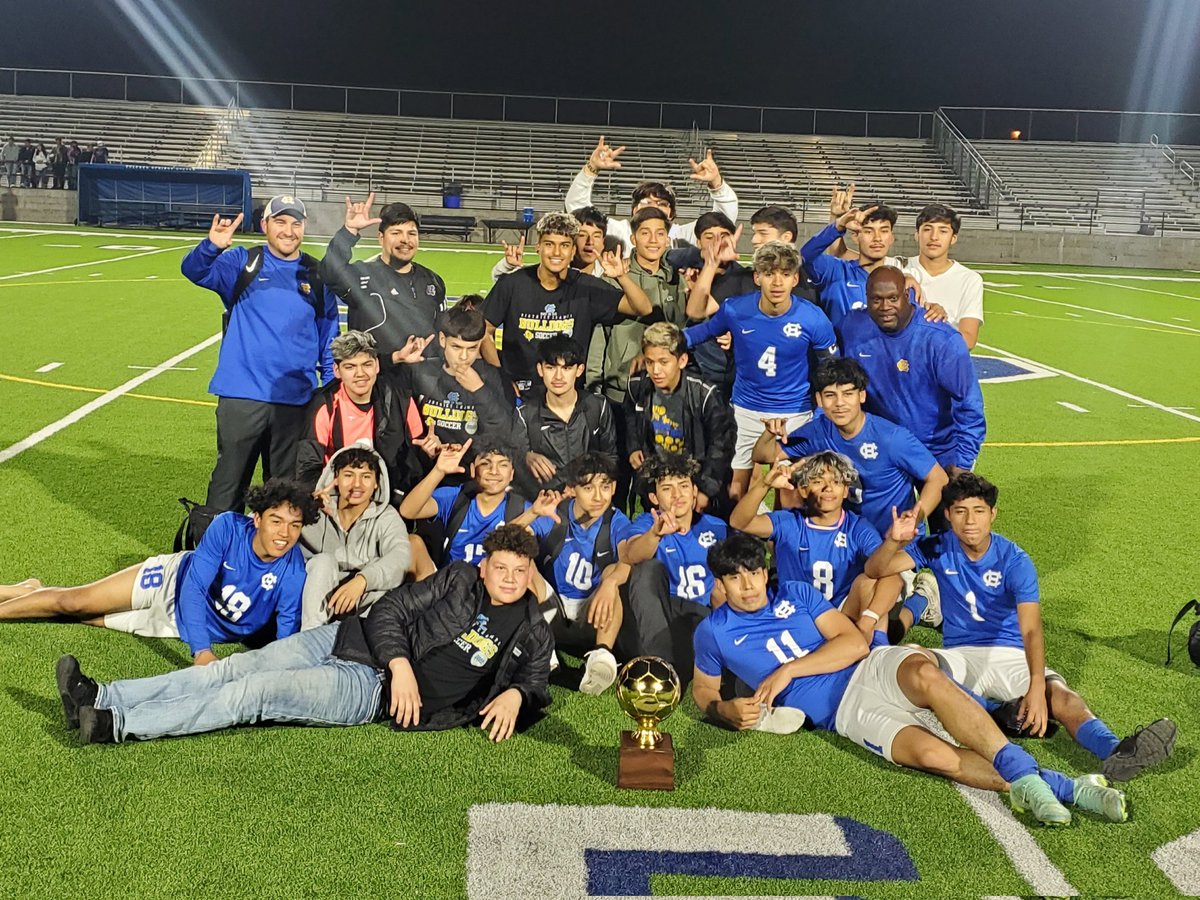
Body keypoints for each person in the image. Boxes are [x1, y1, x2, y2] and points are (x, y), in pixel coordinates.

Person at [690, 534, 1129, 825]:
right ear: (721, 583)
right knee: (934, 756)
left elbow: (855, 645)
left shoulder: (798, 594)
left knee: (924, 673)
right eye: (734, 577)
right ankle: (1067, 787)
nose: (747, 585)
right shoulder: (712, 631)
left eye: (753, 573)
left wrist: (788, 670)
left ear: (766, 571)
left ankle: (1019, 766)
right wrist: (723, 710)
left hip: (871, 667)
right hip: (845, 713)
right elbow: (704, 691)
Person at [57, 525, 554, 745]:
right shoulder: (459, 577)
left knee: (251, 694)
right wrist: (401, 663)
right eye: (501, 567)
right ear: (485, 566)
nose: (509, 578)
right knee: (230, 669)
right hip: (347, 640)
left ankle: (114, 723)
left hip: (368, 690)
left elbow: (535, 686)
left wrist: (515, 694)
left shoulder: (533, 630)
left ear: (531, 572)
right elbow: (389, 611)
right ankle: (102, 695)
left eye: (520, 570)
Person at [865, 473, 1178, 782]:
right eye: (960, 512)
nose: (970, 521)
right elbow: (875, 570)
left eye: (978, 511)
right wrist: (894, 541)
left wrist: (1037, 689)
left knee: (1063, 698)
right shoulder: (936, 546)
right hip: (960, 654)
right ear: (947, 515)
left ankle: (1117, 750)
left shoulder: (1015, 560)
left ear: (993, 515)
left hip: (1009, 654)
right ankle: (994, 710)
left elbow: (1031, 630)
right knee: (913, 659)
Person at [1, 481, 318, 664]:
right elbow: (193, 588)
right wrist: (202, 651)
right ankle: (20, 598)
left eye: (294, 525)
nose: (285, 534)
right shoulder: (228, 527)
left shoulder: (293, 573)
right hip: (169, 581)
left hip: (176, 624)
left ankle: (29, 590)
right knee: (75, 603)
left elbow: (286, 635)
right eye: (276, 521)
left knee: (81, 617)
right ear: (257, 518)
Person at [182, 195, 340, 512]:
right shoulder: (244, 262)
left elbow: (328, 336)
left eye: (296, 223)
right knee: (229, 484)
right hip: (242, 395)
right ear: (265, 225)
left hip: (295, 401)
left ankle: (275, 556)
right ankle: (216, 555)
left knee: (284, 490)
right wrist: (211, 246)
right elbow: (195, 271)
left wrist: (331, 389)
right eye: (280, 222)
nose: (289, 230)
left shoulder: (317, 274)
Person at [685, 240, 838, 504]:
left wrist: (822, 413)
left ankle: (785, 543)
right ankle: (738, 542)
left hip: (795, 412)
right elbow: (700, 332)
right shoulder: (735, 309)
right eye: (769, 274)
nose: (777, 282)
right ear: (757, 277)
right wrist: (662, 345)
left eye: (785, 274)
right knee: (735, 490)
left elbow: (832, 371)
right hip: (746, 410)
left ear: (795, 279)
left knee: (791, 492)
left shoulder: (813, 318)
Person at [754, 357, 948, 538]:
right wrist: (770, 433)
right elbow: (764, 455)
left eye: (848, 394)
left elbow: (938, 478)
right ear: (819, 400)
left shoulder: (892, 438)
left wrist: (916, 516)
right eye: (830, 395)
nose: (839, 403)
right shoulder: (817, 431)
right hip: (846, 540)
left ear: (862, 396)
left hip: (893, 540)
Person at [731, 452, 902, 636]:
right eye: (819, 481)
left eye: (836, 482)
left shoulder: (858, 528)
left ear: (846, 491)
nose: (828, 488)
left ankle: (876, 650)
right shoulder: (790, 523)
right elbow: (739, 522)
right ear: (803, 489)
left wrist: (869, 619)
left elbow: (891, 577)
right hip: (794, 613)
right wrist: (764, 485)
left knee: (872, 581)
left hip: (843, 614)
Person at [481, 212, 652, 393]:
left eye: (564, 245)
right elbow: (483, 331)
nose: (556, 252)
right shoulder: (513, 283)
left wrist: (621, 277)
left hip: (569, 398)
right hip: (518, 396)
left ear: (572, 251)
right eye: (549, 244)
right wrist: (501, 377)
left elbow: (642, 308)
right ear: (538, 247)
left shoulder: (586, 286)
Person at [841, 267, 985, 477]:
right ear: (866, 298)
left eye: (892, 298)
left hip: (939, 451)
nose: (885, 307)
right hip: (884, 447)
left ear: (907, 295)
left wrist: (962, 462)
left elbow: (969, 404)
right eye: (876, 299)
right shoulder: (853, 325)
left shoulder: (942, 339)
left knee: (947, 509)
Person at [529, 452, 641, 695]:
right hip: (551, 613)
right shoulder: (554, 512)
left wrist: (610, 583)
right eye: (588, 487)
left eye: (605, 487)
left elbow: (630, 557)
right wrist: (532, 515)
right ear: (571, 489)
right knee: (520, 563)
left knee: (615, 572)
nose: (599, 497)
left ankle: (601, 655)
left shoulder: (617, 521)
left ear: (614, 489)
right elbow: (509, 542)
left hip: (593, 615)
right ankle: (545, 654)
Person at [619, 454, 727, 678]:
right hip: (661, 617)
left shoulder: (717, 528)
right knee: (646, 569)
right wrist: (655, 535)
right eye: (667, 488)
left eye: (684, 486)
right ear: (654, 497)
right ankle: (660, 670)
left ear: (695, 491)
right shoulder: (647, 523)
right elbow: (630, 555)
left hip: (701, 616)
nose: (678, 495)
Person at [320, 194, 447, 367]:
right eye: (396, 233)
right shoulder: (361, 275)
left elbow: (443, 335)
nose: (405, 240)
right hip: (373, 383)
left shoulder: (433, 282)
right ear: (381, 237)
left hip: (422, 384)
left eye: (412, 233)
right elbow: (328, 272)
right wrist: (349, 232)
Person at [295, 330, 422, 498]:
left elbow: (417, 452)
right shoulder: (324, 406)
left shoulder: (400, 398)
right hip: (338, 497)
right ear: (337, 371)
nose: (360, 374)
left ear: (376, 366)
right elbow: (307, 469)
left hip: (389, 497)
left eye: (367, 365)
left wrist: (430, 450)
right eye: (350, 367)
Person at [624, 322, 735, 515]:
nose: (656, 371)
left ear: (682, 360)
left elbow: (721, 446)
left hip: (695, 480)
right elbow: (630, 415)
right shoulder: (637, 386)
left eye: (663, 362)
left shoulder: (704, 394)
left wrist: (705, 490)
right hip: (658, 482)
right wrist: (633, 447)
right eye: (650, 362)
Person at [299, 445, 411, 630]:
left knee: (385, 589)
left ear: (376, 483)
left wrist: (363, 580)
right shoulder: (315, 509)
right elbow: (270, 521)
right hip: (317, 594)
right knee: (323, 562)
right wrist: (304, 505)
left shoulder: (386, 516)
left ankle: (360, 646)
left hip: (362, 599)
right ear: (336, 478)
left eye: (366, 477)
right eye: (349, 475)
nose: (357, 485)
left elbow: (400, 557)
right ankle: (310, 636)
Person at [564, 135, 739, 251]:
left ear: (672, 213)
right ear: (634, 210)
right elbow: (578, 210)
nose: (654, 207)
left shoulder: (683, 235)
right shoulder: (619, 231)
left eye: (662, 204)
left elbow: (723, 220)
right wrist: (591, 169)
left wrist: (716, 182)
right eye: (646, 203)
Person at [398, 304, 524, 464]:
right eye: (456, 347)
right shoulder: (421, 373)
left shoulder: (495, 378)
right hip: (428, 470)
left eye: (472, 348)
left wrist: (479, 390)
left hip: (475, 474)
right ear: (442, 340)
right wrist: (424, 444)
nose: (464, 356)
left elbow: (505, 433)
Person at [400, 438, 542, 570]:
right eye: (486, 463)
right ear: (473, 470)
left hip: (495, 590)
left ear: (511, 474)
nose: (494, 471)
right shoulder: (456, 497)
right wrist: (439, 470)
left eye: (503, 465)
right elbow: (408, 511)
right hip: (449, 584)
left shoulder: (525, 509)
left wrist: (533, 513)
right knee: (413, 543)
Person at [517, 335, 616, 493]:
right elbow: (515, 467)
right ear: (540, 369)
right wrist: (525, 457)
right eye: (551, 367)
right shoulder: (525, 415)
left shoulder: (598, 407)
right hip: (545, 504)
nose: (558, 376)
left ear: (579, 370)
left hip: (587, 502)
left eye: (566, 368)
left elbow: (610, 459)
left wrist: (585, 488)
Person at [801, 201, 903, 331]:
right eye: (868, 231)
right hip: (840, 351)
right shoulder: (835, 270)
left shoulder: (900, 282)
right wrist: (838, 226)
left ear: (891, 238)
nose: (877, 238)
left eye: (884, 231)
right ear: (855, 237)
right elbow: (806, 255)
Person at [900, 204, 984, 349]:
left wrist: (936, 323)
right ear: (916, 235)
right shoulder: (899, 267)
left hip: (943, 363)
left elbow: (968, 340)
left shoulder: (970, 279)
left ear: (953, 238)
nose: (934, 237)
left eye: (943, 231)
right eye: (927, 229)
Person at [493, 206, 609, 282]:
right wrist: (508, 265)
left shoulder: (610, 277)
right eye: (583, 235)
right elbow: (500, 281)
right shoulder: (553, 270)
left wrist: (621, 278)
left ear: (603, 241)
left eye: (597, 236)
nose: (590, 242)